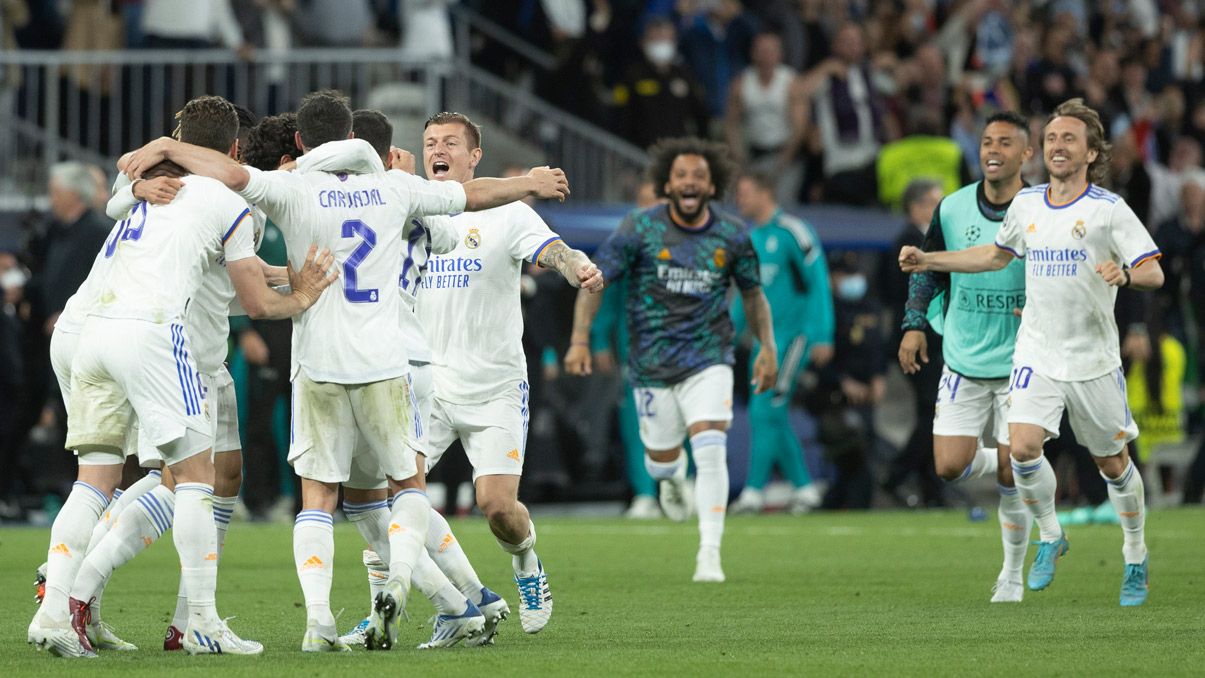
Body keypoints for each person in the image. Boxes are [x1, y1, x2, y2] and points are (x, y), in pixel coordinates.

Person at [123, 91, 573, 650]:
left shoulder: (292, 188)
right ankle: (428, 591)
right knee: (404, 488)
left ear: (299, 141)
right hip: (392, 361)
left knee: (320, 500)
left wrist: (166, 150)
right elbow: (469, 198)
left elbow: (228, 172)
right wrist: (529, 184)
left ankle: (321, 623)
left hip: (318, 364)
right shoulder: (397, 187)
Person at [30, 95, 330, 659]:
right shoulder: (231, 199)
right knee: (198, 479)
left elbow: (121, 188)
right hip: (156, 335)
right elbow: (256, 301)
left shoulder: (153, 186)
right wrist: (308, 293)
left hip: (84, 326)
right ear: (235, 151)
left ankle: (57, 608)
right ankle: (198, 623)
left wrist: (139, 176)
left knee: (95, 479)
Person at [900, 98, 1164, 606]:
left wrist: (1126, 274)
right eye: (1051, 140)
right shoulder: (1028, 205)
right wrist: (929, 258)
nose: (1057, 147)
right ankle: (1051, 534)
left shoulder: (1109, 210)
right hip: (1036, 352)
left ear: (1090, 153)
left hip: (1091, 359)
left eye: (1069, 139)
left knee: (1113, 464)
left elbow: (1153, 270)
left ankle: (1135, 554)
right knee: (1021, 449)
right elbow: (995, 255)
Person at [415, 111, 602, 634]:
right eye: (431, 141)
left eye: (451, 142)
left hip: (494, 385)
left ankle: (525, 562)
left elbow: (554, 252)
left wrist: (576, 267)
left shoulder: (509, 215)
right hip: (427, 384)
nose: (439, 149)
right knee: (391, 500)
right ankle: (460, 603)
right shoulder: (415, 210)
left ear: (475, 156)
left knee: (497, 507)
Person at [335, 109, 511, 650]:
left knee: (381, 496)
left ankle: (432, 599)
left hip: (382, 361)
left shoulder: (342, 201)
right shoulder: (404, 194)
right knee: (392, 491)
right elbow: (448, 238)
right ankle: (474, 596)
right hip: (413, 361)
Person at [565, 137, 778, 583]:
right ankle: (671, 477)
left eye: (699, 176)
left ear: (713, 185)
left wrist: (767, 349)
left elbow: (754, 296)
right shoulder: (638, 228)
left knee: (711, 444)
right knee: (660, 461)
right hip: (651, 365)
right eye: (681, 175)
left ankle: (710, 553)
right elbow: (595, 281)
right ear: (667, 182)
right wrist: (581, 339)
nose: (690, 183)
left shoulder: (732, 234)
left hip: (709, 357)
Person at [897, 112, 1036, 602]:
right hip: (963, 357)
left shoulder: (1040, 208)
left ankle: (1012, 575)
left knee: (1008, 472)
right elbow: (927, 267)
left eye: (1005, 142)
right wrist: (914, 326)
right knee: (949, 466)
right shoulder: (953, 208)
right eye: (985, 142)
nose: (992, 150)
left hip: (1022, 360)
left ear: (1026, 154)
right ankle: (1021, 462)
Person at [730, 171, 832, 514]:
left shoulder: (794, 232)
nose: (739, 200)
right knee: (773, 414)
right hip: (763, 343)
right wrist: (724, 332)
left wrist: (822, 334)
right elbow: (746, 295)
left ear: (764, 191)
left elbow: (818, 282)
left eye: (744, 192)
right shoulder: (750, 239)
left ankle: (754, 492)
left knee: (765, 408)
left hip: (794, 337)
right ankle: (805, 488)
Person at [590, 180, 662, 519]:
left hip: (682, 350)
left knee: (682, 421)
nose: (645, 209)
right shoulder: (624, 245)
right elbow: (607, 296)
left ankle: (686, 486)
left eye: (652, 202)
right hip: (635, 348)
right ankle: (645, 493)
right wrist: (600, 340)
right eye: (641, 201)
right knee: (636, 422)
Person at [880, 178, 946, 508]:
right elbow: (907, 294)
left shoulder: (920, 239)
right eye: (936, 201)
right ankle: (895, 474)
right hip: (920, 340)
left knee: (928, 412)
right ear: (917, 207)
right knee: (935, 411)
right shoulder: (910, 242)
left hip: (927, 340)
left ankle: (931, 488)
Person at [724, 31, 808, 206]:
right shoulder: (742, 83)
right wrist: (739, 156)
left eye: (771, 51)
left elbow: (799, 128)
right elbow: (731, 124)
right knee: (742, 202)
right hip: (754, 156)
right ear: (753, 53)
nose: (766, 56)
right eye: (761, 51)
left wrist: (784, 161)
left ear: (780, 54)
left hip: (784, 155)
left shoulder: (790, 82)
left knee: (781, 203)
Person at [612, 17, 710, 150]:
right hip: (638, 153)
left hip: (675, 155)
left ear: (674, 43)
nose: (661, 44)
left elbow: (701, 115)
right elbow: (619, 118)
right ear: (643, 42)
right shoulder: (631, 76)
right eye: (656, 39)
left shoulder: (685, 75)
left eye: (665, 39)